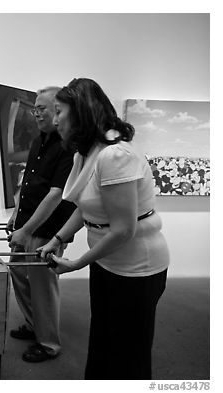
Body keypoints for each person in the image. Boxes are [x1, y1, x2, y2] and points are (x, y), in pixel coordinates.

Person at [40, 78, 170, 379]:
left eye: (59, 111)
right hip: (107, 262)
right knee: (102, 341)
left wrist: (75, 263)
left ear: (81, 112)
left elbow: (124, 229)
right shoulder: (88, 152)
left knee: (128, 355)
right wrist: (58, 238)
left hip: (137, 268)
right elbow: (87, 209)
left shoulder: (115, 156)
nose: (54, 119)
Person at [6, 86, 76, 363]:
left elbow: (56, 194)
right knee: (20, 275)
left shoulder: (66, 146)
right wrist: (16, 214)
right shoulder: (40, 140)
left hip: (47, 231)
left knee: (43, 287)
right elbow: (29, 181)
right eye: (34, 109)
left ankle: (48, 344)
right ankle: (35, 325)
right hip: (26, 222)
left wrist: (26, 230)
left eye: (42, 109)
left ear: (58, 111)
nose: (36, 114)